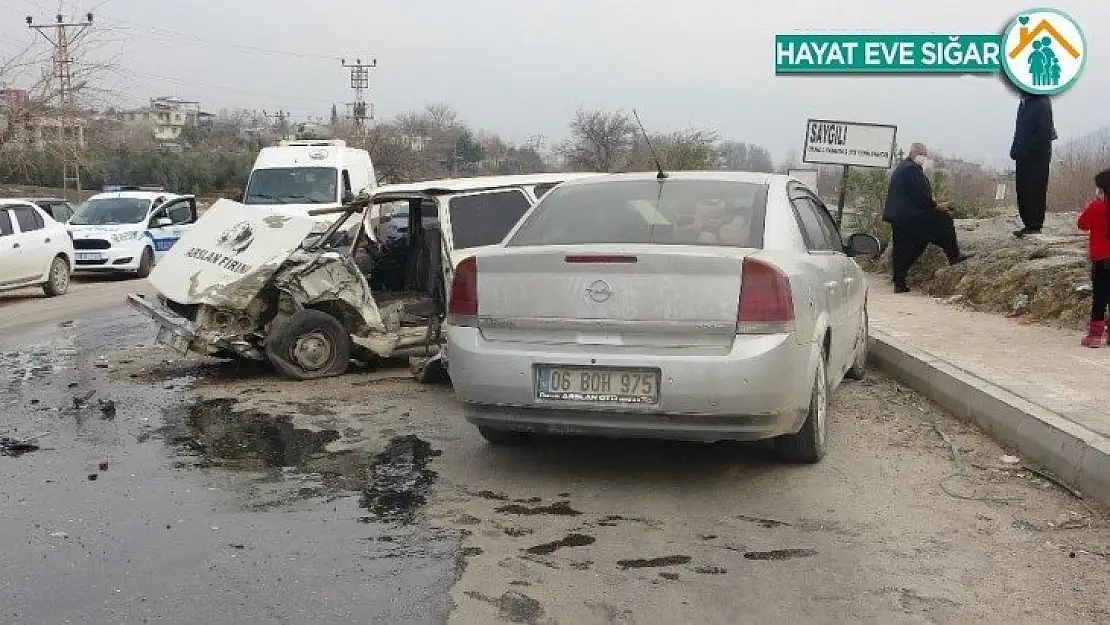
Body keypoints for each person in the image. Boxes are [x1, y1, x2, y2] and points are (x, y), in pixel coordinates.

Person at [882, 143, 971, 293]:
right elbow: (920, 196)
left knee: (907, 247)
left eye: (925, 154)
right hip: (911, 215)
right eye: (921, 153)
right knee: (944, 221)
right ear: (913, 152)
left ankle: (899, 281)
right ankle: (954, 255)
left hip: (900, 216)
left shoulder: (904, 167)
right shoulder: (911, 170)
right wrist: (936, 206)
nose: (923, 157)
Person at [1010, 92, 1057, 238]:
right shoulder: (1025, 103)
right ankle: (1028, 224)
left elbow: (1044, 133)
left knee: (1035, 190)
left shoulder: (1040, 102)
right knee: (1023, 190)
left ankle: (1035, 225)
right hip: (1022, 155)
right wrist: (1015, 149)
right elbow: (1020, 131)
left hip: (1037, 156)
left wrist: (1025, 149)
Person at [1076, 169, 1110, 347]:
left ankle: (1095, 336)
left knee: (1100, 298)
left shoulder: (1096, 207)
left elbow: (1082, 224)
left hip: (1102, 259)